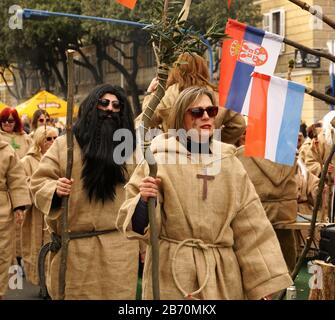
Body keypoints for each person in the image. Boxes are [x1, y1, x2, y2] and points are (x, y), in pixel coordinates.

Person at [117, 86, 292, 300]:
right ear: (181, 118)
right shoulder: (158, 160)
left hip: (221, 275)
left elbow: (252, 226)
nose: (206, 116)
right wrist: (144, 200)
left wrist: (263, 282)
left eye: (211, 110)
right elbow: (136, 226)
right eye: (197, 112)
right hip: (172, 273)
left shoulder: (229, 163)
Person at [30, 84, 139, 300]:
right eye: (104, 103)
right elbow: (38, 182)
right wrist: (55, 189)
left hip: (119, 251)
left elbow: (139, 195)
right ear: (91, 107)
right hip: (75, 252)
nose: (110, 109)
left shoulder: (131, 152)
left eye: (117, 105)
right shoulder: (65, 146)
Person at [138, 52, 246, 145]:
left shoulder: (168, 94)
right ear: (204, 69)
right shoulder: (217, 95)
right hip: (209, 155)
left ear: (177, 70)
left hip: (175, 155)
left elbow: (147, 119)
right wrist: (215, 142)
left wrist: (150, 94)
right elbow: (239, 125)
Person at [20, 126, 59, 286]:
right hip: (36, 212)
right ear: (39, 141)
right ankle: (41, 283)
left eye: (55, 138)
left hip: (55, 211)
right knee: (37, 248)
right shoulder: (27, 161)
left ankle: (53, 283)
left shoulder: (61, 158)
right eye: (48, 139)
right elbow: (23, 184)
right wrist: (43, 187)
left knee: (55, 247)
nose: (52, 142)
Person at [0, 137, 31, 300]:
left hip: (2, 210)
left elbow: (17, 179)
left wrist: (19, 206)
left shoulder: (6, 150)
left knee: (2, 253)